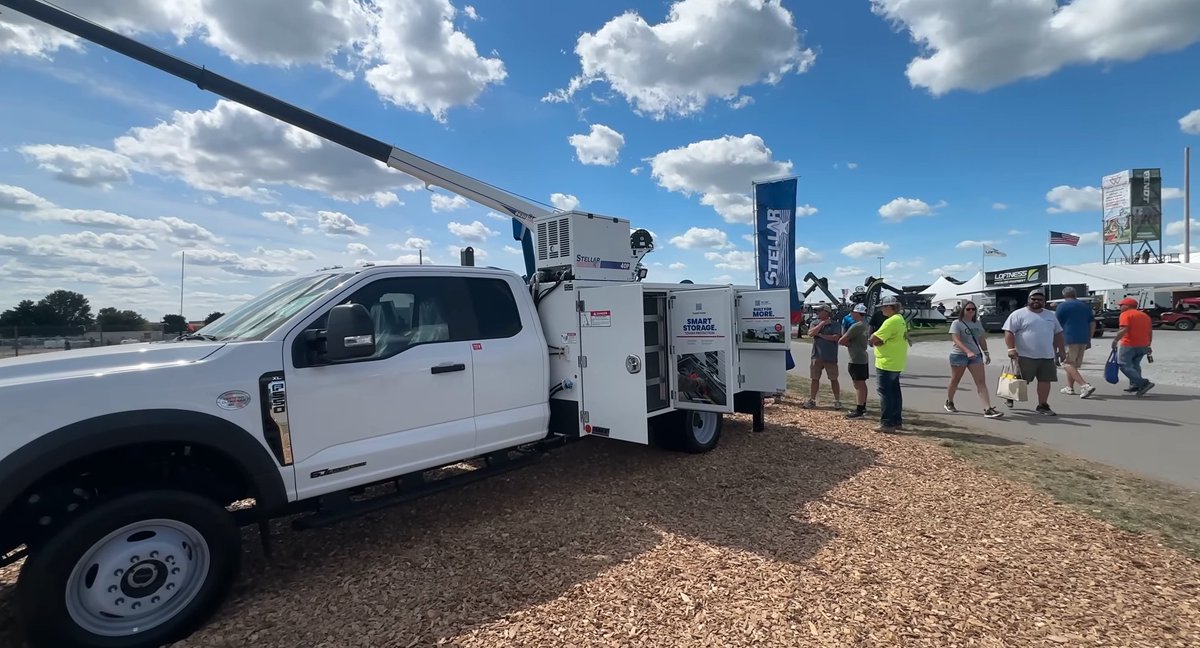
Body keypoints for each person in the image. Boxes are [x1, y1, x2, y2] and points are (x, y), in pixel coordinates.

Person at [1001, 288, 1066, 415]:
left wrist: (1062, 351)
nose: (1036, 301)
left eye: (1040, 299)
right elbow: (1009, 331)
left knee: (1045, 380)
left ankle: (1042, 405)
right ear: (1028, 300)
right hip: (1024, 355)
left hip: (1047, 356)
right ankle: (1009, 396)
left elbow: (1058, 333)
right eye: (1033, 299)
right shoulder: (1018, 314)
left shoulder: (1051, 315)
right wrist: (1011, 348)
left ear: (1044, 301)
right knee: (1020, 380)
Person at [944, 300, 1003, 418]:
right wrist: (967, 351)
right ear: (963, 310)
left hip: (975, 356)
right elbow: (956, 340)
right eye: (968, 309)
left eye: (973, 309)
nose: (971, 311)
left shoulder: (977, 323)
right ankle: (949, 401)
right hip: (959, 355)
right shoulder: (957, 323)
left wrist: (986, 353)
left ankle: (988, 408)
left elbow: (981, 338)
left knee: (981, 382)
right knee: (955, 380)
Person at [868, 295, 909, 433]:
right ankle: (897, 421)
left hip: (886, 361)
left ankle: (887, 423)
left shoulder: (890, 322)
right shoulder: (900, 320)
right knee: (895, 392)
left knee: (885, 393)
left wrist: (877, 341)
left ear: (890, 307)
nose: (882, 310)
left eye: (883, 307)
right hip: (896, 361)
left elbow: (873, 338)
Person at [1054, 286, 1097, 398]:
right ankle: (1069, 388)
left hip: (1068, 338)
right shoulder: (1084, 306)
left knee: (1066, 362)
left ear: (1064, 295)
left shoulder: (1061, 306)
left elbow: (1056, 324)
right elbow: (1092, 323)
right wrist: (1089, 339)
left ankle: (1085, 385)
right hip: (1083, 339)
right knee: (1073, 364)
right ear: (1075, 294)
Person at [1112, 297, 1154, 396]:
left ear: (1127, 306)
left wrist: (1115, 340)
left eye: (1121, 305)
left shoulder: (1126, 314)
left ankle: (1143, 383)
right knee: (1135, 365)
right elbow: (1150, 332)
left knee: (1123, 365)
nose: (1120, 307)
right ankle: (1135, 385)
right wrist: (1149, 344)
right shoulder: (1145, 316)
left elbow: (1124, 329)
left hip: (1129, 344)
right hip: (1143, 344)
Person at [803, 304, 842, 409]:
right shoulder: (815, 322)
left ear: (827, 312)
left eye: (820, 311)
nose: (818, 312)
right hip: (816, 356)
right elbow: (810, 333)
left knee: (833, 379)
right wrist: (821, 324)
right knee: (814, 378)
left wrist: (820, 335)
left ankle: (837, 400)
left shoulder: (835, 324)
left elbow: (835, 338)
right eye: (817, 310)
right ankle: (812, 400)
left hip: (830, 356)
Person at [838, 303, 870, 419]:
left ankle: (859, 410)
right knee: (862, 383)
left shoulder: (857, 326)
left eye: (853, 312)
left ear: (857, 313)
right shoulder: (865, 324)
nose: (851, 314)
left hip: (856, 358)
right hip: (862, 356)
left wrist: (848, 343)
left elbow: (841, 340)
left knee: (858, 384)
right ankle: (863, 407)